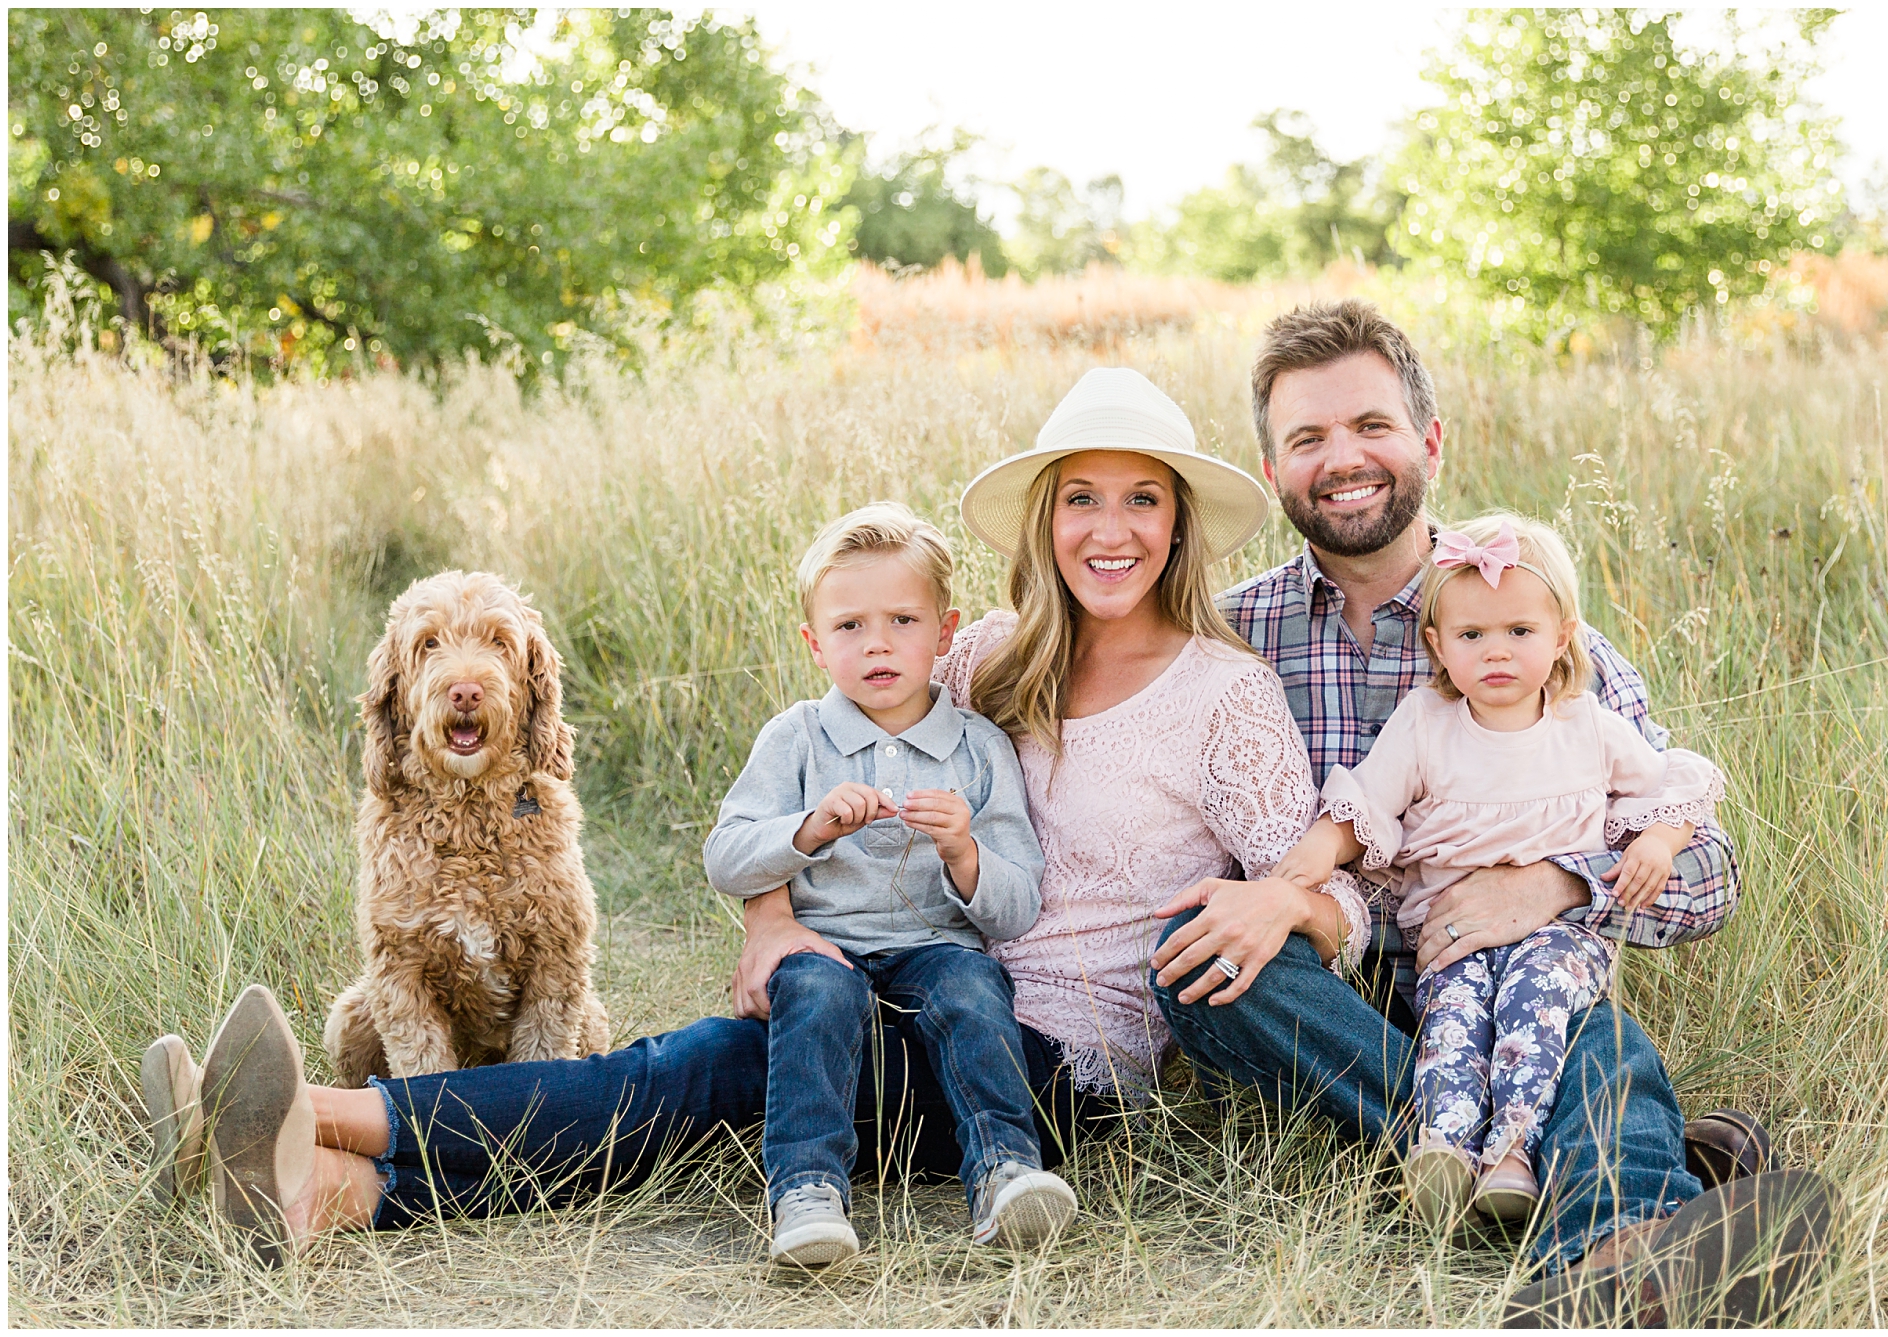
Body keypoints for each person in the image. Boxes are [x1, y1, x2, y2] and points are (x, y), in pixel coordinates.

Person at [140, 365, 1370, 1266]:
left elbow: (1329, 900)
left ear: (1179, 522)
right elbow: (831, 732)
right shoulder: (983, 653)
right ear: (1046, 520)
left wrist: (1291, 897)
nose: (1110, 529)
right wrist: (771, 914)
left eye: (1141, 500)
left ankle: (319, 1128)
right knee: (725, 1058)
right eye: (1081, 499)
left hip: (1043, 1063)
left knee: (705, 1071)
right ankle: (316, 1189)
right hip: (894, 977)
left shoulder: (1225, 692)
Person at [1145, 299, 1835, 1325]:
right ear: (1271, 470)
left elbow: (1706, 869)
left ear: (1427, 440)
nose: (1342, 457)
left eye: (1369, 425)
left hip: (1528, 980)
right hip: (1336, 1007)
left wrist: (1558, 881)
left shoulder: (1532, 618)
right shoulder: (1224, 637)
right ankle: (1595, 1150)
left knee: (1583, 1028)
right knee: (1196, 959)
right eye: (1307, 438)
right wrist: (1284, 899)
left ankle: (1610, 1253)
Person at [1267, 512, 1724, 1226]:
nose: (1497, 652)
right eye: (1473, 636)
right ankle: (1445, 1152)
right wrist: (1322, 847)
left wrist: (1656, 843)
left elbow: (1675, 786)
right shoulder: (1426, 722)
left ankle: (1515, 1156)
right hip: (1447, 937)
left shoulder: (1586, 724)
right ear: (1438, 646)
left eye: (1520, 632)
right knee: (1454, 1018)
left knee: (1540, 1014)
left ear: (1563, 636)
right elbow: (1368, 799)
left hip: (1560, 937)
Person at [702, 502, 1069, 1266]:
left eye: (903, 620)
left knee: (973, 990)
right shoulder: (796, 737)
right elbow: (727, 856)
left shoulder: (978, 745)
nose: (877, 643)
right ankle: (806, 1191)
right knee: (816, 995)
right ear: (814, 642)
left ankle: (1005, 1169)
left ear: (945, 630)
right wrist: (807, 831)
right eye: (849, 626)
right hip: (827, 947)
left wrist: (964, 851)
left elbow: (1019, 901)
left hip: (937, 946)